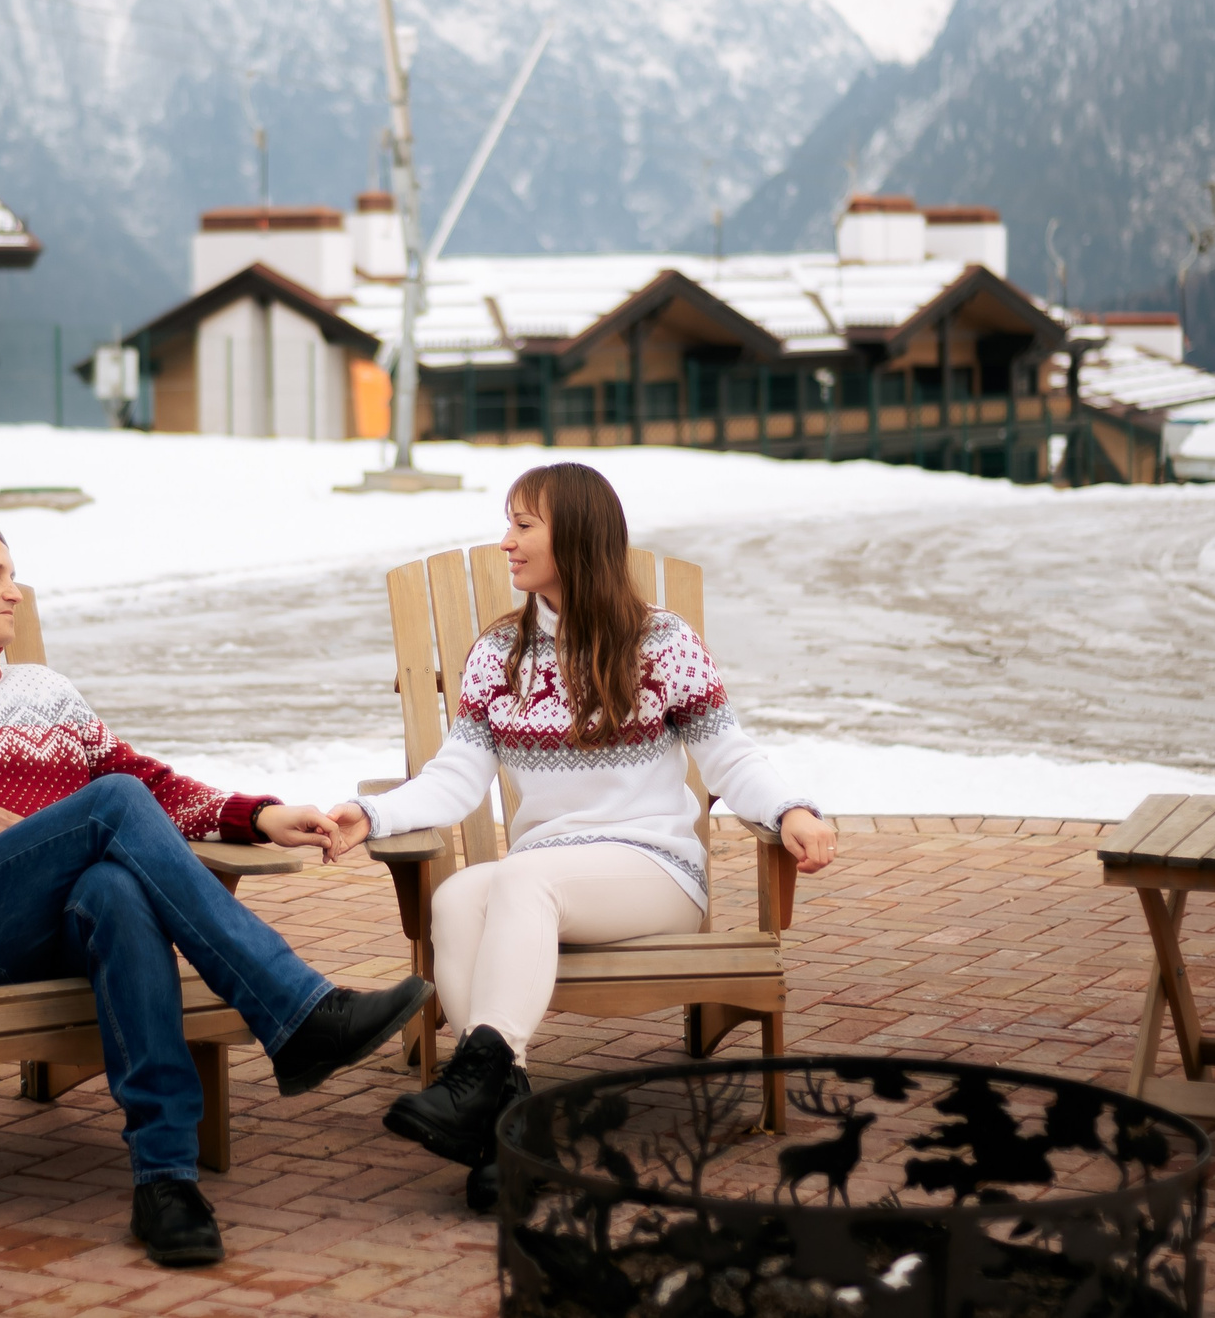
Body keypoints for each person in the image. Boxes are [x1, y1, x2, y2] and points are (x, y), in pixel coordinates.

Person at [0, 515, 428, 1267]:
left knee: (116, 887)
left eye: (13, 574)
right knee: (111, 803)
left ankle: (165, 1181)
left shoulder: (47, 692)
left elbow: (147, 783)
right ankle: (297, 1009)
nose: (14, 592)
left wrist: (256, 815)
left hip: (63, 931)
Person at [325, 463, 836, 1209]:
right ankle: (510, 1127)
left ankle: (475, 1087)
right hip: (547, 880)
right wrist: (372, 814)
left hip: (654, 871)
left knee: (522, 877)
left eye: (523, 525)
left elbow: (729, 754)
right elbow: (456, 776)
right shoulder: (500, 654)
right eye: (508, 524)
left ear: (577, 535)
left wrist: (790, 810)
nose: (506, 541)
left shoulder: (662, 641)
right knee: (460, 898)